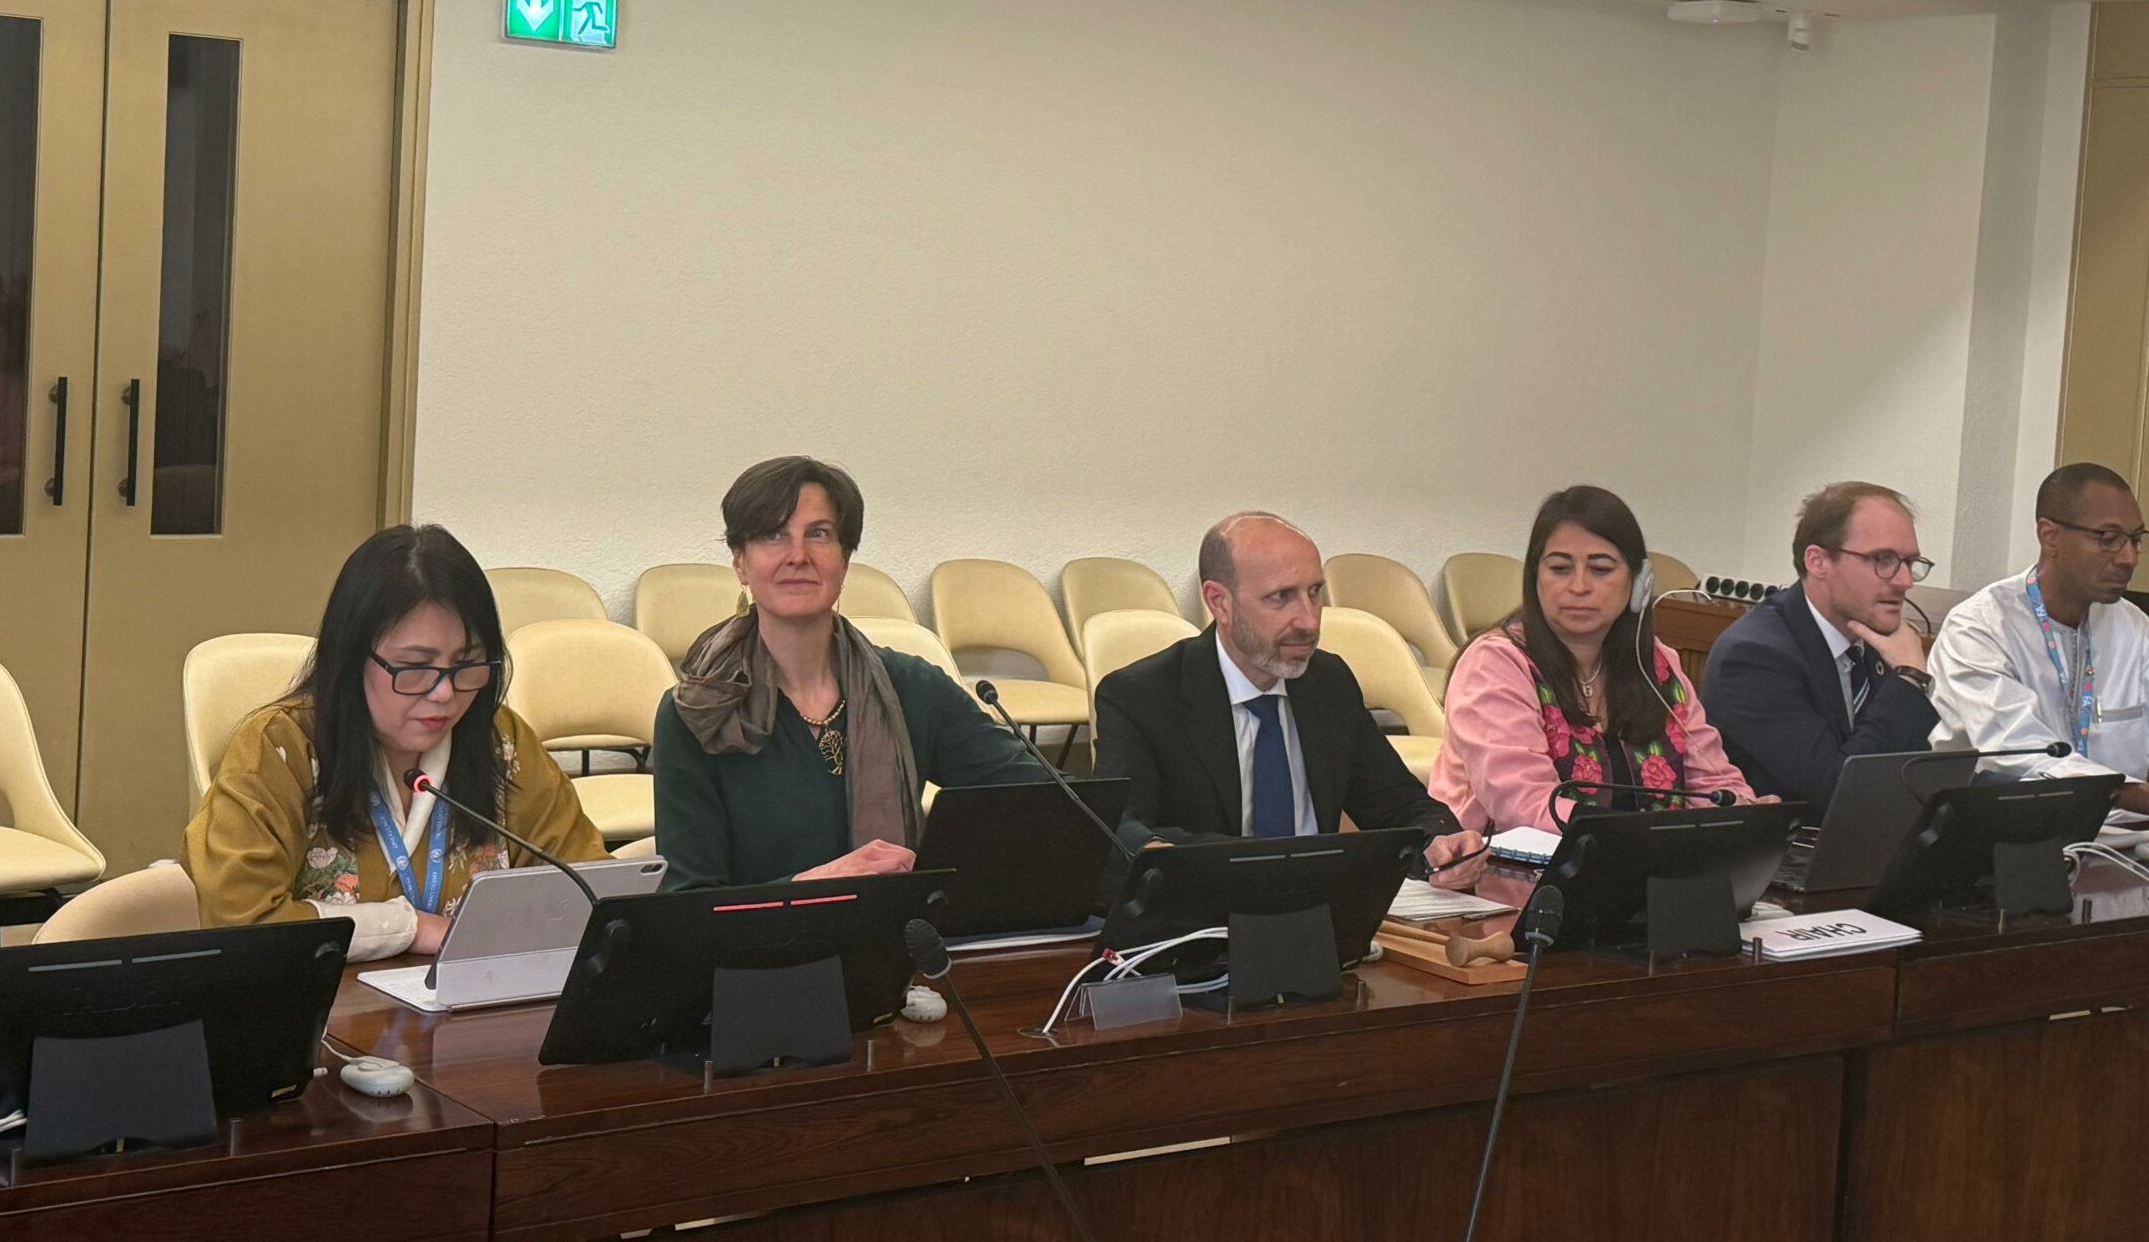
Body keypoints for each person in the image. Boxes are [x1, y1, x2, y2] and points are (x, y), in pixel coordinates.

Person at [185, 524, 607, 961]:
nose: (444, 693)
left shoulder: (501, 742)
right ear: (352, 657)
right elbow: (240, 923)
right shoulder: (280, 749)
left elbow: (594, 890)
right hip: (325, 1001)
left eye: (467, 664)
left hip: (474, 998)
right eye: (415, 667)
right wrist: (407, 928)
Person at [652, 456, 1045, 887]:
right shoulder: (697, 712)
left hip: (897, 925)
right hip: (767, 932)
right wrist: (810, 888)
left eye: (818, 534)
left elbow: (1046, 798)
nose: (798, 556)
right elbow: (688, 900)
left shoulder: (913, 687)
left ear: (844, 560)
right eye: (772, 535)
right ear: (740, 563)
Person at [1094, 513, 1482, 881]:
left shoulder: (1328, 682)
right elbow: (1122, 832)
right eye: (1282, 597)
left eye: (1314, 593)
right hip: (1209, 907)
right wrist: (1268, 865)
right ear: (1220, 602)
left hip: (1322, 909)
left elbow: (1394, 801)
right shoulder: (1141, 696)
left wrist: (1438, 839)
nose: (1309, 621)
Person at [1432, 486, 1753, 835]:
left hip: (1647, 860)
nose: (1579, 586)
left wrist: (1749, 817)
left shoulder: (1656, 663)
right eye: (1560, 568)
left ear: (1639, 583)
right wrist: (1646, 836)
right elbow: (1524, 808)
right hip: (1510, 865)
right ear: (1535, 578)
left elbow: (1715, 783)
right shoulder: (1494, 663)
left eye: (1600, 569)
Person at [1701, 482, 1940, 816]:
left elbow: (1910, 775)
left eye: (1910, 562)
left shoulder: (1875, 638)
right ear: (1818, 562)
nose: (1905, 581)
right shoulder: (1753, 656)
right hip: (1790, 842)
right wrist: (1909, 679)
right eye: (1883, 560)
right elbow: (1840, 791)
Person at [1929, 463, 2149, 802]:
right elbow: (2021, 756)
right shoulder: (1979, 627)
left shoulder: (2134, 627)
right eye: (2109, 539)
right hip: (2008, 824)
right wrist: (2135, 797)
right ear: (2050, 536)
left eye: (2135, 540)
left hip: (2123, 828)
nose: (2129, 558)